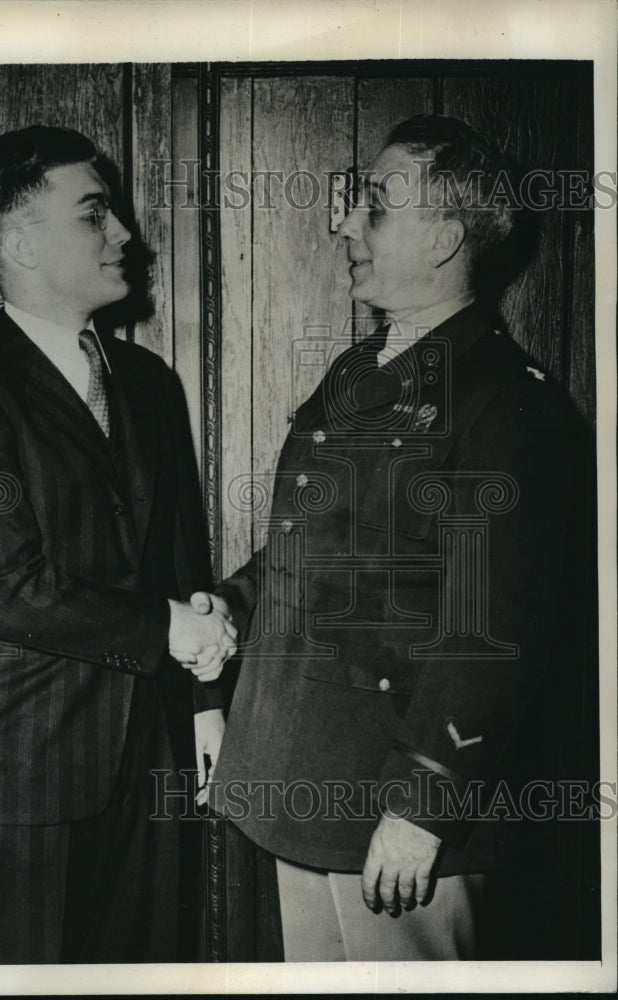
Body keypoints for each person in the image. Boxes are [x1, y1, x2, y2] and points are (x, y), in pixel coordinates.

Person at [198, 115, 594, 960]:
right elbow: (314, 548)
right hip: (310, 778)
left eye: (374, 205)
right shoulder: (361, 370)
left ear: (447, 239)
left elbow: (499, 635)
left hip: (395, 808)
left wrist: (424, 806)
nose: (344, 224)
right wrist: (228, 608)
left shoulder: (510, 405)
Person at [0, 125, 235, 964]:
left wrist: (206, 707)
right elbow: (8, 591)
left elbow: (181, 561)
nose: (124, 232)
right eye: (95, 213)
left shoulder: (152, 386)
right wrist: (169, 630)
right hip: (29, 782)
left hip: (158, 759)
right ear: (20, 243)